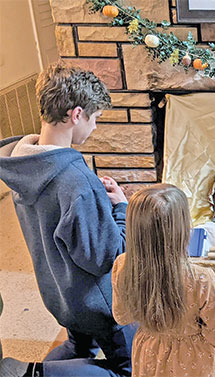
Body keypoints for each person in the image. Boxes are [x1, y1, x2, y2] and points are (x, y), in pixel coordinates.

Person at [0, 62, 135, 376]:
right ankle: (35, 373)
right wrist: (120, 209)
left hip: (60, 295)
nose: (95, 127)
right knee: (130, 367)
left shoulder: (24, 161)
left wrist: (98, 203)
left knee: (80, 347)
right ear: (77, 114)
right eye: (95, 118)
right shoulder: (76, 182)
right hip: (100, 304)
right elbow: (107, 258)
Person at [111, 184, 215, 377]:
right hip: (194, 360)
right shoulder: (201, 278)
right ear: (183, 228)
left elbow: (122, 317)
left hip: (148, 351)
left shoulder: (122, 264)